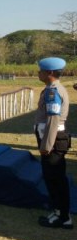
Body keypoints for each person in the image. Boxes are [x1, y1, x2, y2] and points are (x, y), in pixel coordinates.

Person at [35, 57, 72, 229]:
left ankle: (63, 216)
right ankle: (58, 211)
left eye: (41, 70)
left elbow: (53, 120)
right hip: (53, 138)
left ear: (49, 73)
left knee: (55, 179)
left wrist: (46, 145)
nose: (38, 73)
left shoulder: (52, 91)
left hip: (53, 140)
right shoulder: (51, 88)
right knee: (53, 178)